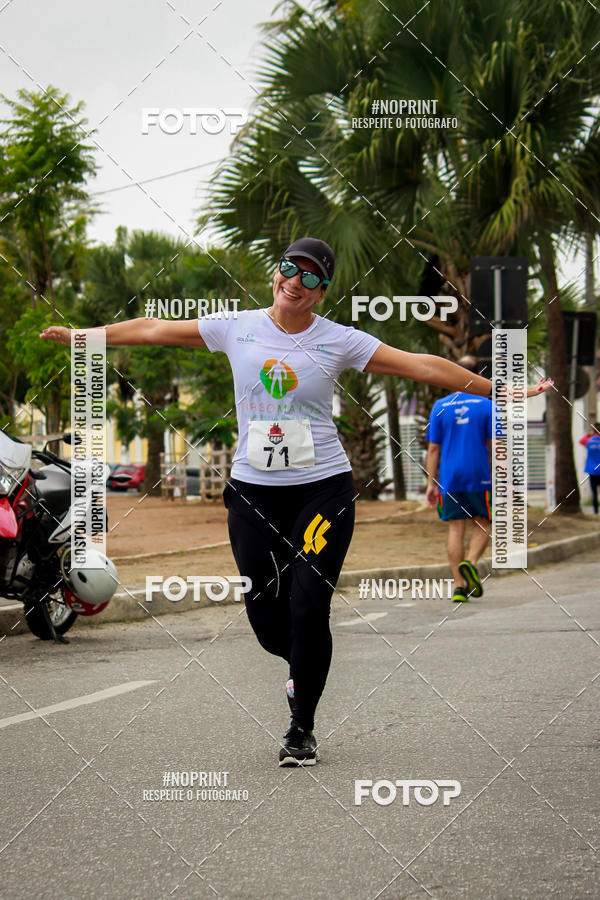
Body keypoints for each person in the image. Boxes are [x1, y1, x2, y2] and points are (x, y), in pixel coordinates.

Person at [41, 237, 552, 766]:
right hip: (253, 492)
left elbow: (420, 365)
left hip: (322, 490)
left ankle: (301, 725)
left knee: (310, 606)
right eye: (291, 269)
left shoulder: (339, 340)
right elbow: (153, 329)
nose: (296, 282)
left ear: (322, 292)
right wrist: (88, 336)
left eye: (311, 277)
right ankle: (306, 664)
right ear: (277, 273)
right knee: (265, 615)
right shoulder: (236, 327)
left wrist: (499, 388)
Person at [425, 357, 497, 602]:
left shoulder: (440, 406)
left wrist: (430, 483)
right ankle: (472, 561)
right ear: (477, 375)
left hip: (449, 477)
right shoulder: (487, 405)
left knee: (456, 528)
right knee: (484, 523)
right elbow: (496, 446)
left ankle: (458, 586)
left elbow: (433, 449)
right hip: (479, 475)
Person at [579, 423, 600, 514]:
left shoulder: (589, 441)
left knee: (594, 493)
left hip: (592, 470)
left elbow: (581, 440)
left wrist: (589, 434)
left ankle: (595, 512)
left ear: (593, 431)